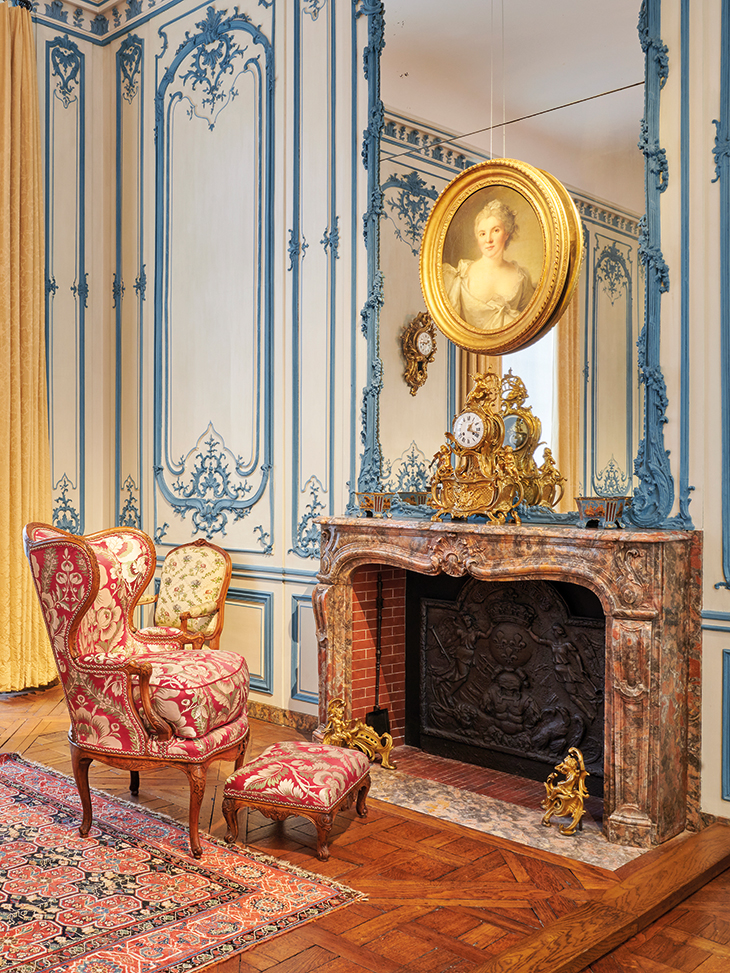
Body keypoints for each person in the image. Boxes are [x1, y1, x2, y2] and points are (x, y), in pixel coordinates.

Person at [442, 199, 535, 332]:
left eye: (495, 230)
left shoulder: (522, 277)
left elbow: (531, 324)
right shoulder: (461, 274)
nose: (488, 240)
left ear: (506, 233)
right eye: (482, 234)